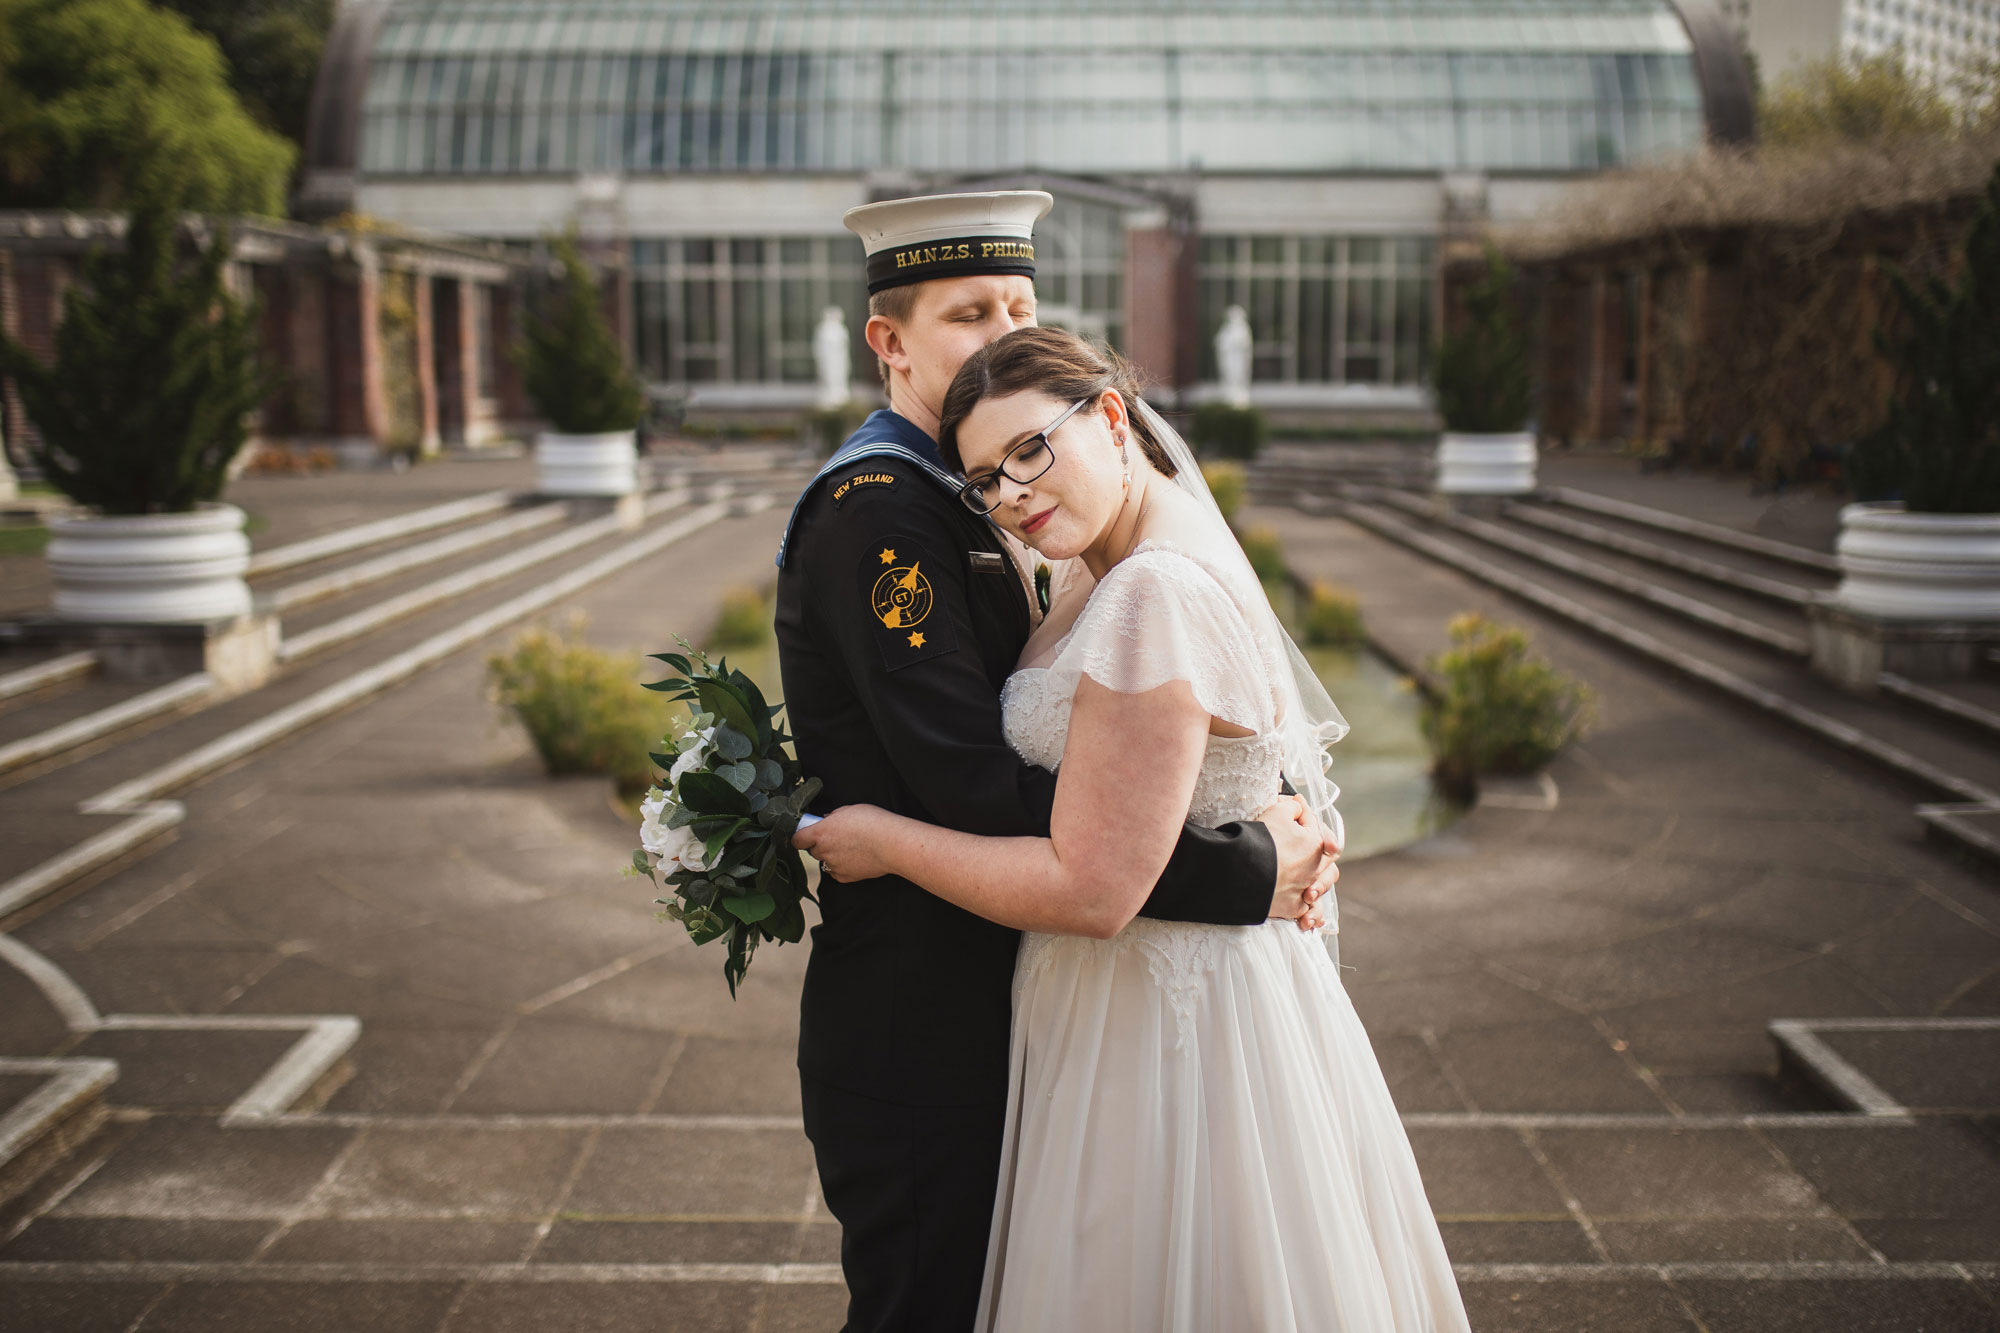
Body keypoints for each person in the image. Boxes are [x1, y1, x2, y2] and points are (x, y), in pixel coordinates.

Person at [796, 326, 1471, 1333]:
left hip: (1167, 1023)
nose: (1012, 493)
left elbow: (1093, 891)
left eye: (1031, 450)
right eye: (983, 479)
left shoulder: (1150, 589)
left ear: (1110, 417)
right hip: (1115, 1002)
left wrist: (881, 840)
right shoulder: (1095, 569)